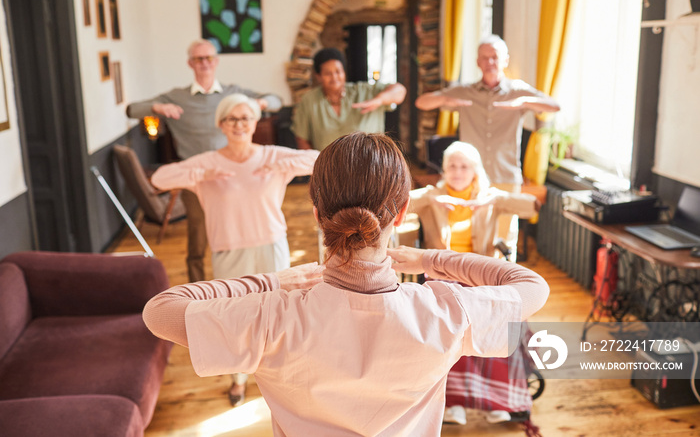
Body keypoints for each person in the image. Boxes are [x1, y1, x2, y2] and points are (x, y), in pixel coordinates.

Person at [143, 132, 549, 436]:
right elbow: (529, 285)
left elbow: (160, 311)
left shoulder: (272, 316)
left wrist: (272, 281)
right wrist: (430, 258)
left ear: (317, 213)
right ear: (403, 211)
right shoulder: (444, 312)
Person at [150, 93, 318, 407]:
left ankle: (282, 374)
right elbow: (160, 178)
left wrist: (285, 163)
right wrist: (202, 175)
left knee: (280, 313)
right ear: (221, 124)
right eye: (232, 119)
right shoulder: (208, 161)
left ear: (256, 122)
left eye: (245, 118)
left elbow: (320, 158)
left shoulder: (270, 155)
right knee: (237, 319)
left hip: (271, 247)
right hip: (229, 252)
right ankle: (238, 377)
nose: (239, 124)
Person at [127, 39, 283, 284]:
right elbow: (132, 109)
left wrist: (259, 104)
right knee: (198, 240)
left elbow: (276, 100)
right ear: (190, 63)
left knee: (238, 235)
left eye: (209, 58)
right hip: (197, 179)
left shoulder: (234, 94)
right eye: (199, 59)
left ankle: (244, 286)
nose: (204, 63)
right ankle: (199, 291)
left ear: (216, 61)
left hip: (234, 176)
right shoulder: (177, 97)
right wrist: (158, 106)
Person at [408, 141, 540, 427]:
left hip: (481, 276)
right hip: (443, 277)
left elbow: (532, 206)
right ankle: (454, 403)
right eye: (452, 166)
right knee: (454, 333)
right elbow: (398, 204)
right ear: (443, 169)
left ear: (475, 170)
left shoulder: (489, 195)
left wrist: (489, 202)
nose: (457, 172)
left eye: (464, 166)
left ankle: (496, 401)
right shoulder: (433, 195)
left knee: (497, 331)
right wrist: (432, 201)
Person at [415, 34, 559, 260]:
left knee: (503, 241)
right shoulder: (465, 91)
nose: (490, 62)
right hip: (469, 180)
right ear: (478, 62)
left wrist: (523, 103)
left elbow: (554, 107)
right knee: (475, 238)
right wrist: (447, 101)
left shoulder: (517, 91)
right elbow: (421, 103)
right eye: (485, 57)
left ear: (505, 60)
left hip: (506, 176)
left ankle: (502, 291)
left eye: (495, 57)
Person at [292, 47, 407, 150]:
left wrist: (379, 100)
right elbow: (302, 139)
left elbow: (400, 91)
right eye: (328, 73)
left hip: (372, 167)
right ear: (318, 77)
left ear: (344, 72)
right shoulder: (309, 100)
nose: (334, 77)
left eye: (338, 71)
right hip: (329, 170)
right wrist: (315, 167)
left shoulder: (365, 91)